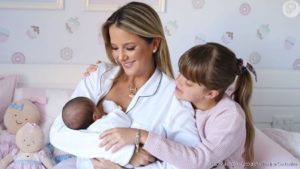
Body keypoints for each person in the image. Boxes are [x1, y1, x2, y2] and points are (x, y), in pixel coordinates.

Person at [49, 1, 200, 169]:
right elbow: (59, 134)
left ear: (155, 44)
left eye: (129, 48)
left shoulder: (174, 96)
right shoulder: (98, 76)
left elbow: (187, 161)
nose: (120, 57)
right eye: (114, 48)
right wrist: (126, 154)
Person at [97, 42, 257, 169]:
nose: (178, 81)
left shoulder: (229, 117)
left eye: (188, 82)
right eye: (180, 73)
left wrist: (140, 135)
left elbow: (198, 162)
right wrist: (102, 70)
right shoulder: (184, 96)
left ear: (210, 94)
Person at [60, 96, 135, 169]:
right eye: (96, 107)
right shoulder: (105, 123)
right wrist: (111, 107)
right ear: (95, 116)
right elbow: (125, 120)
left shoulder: (81, 137)